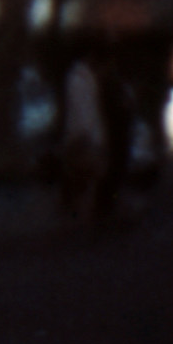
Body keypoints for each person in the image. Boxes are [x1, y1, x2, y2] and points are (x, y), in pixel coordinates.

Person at [60, 54, 106, 224]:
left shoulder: (80, 77)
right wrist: (87, 134)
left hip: (82, 135)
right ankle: (77, 213)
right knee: (83, 174)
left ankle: (77, 212)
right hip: (84, 136)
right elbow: (84, 110)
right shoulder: (80, 78)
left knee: (82, 176)